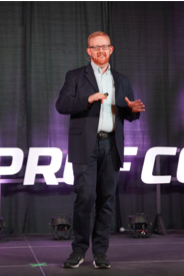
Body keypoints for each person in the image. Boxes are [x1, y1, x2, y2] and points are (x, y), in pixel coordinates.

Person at [56, 31, 145, 269]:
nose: (101, 51)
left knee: (106, 200)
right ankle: (78, 250)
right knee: (85, 196)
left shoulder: (122, 80)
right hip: (85, 145)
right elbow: (62, 105)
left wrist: (133, 110)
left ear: (111, 49)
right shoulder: (75, 76)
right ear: (89, 52)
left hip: (111, 144)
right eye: (96, 47)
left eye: (104, 46)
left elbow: (128, 114)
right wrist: (88, 99)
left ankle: (101, 252)